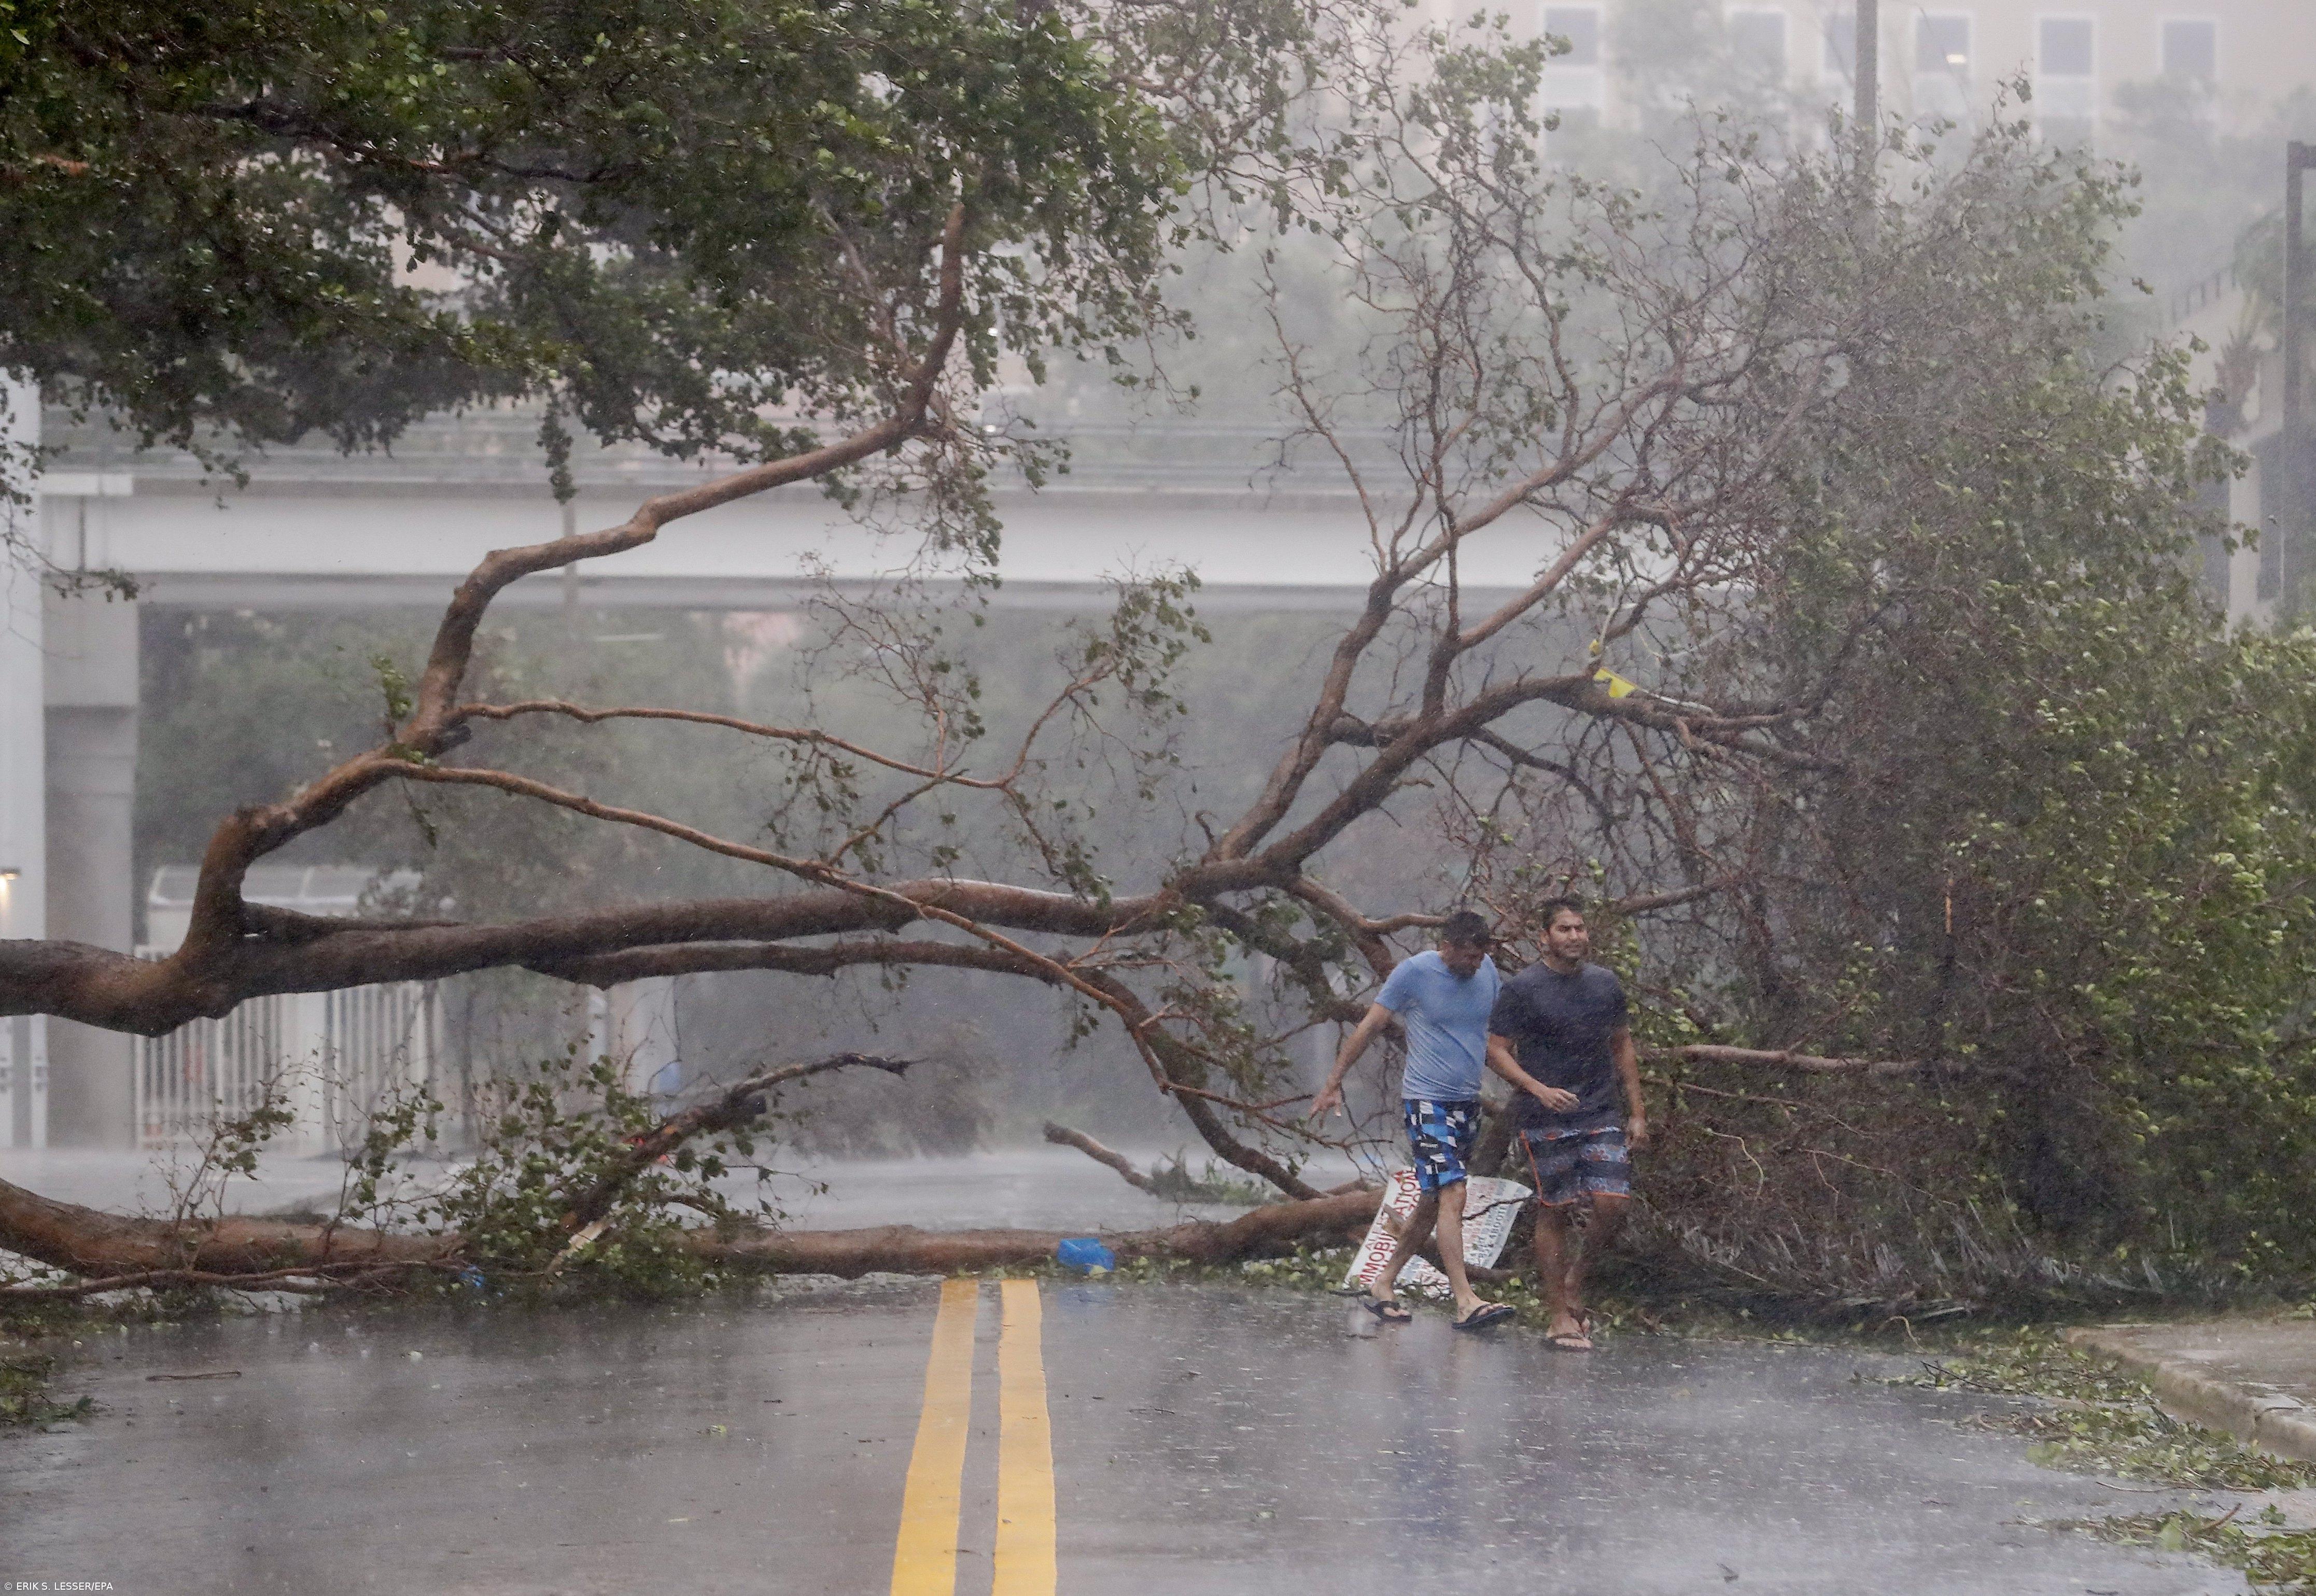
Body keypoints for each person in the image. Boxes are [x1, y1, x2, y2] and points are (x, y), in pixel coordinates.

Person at [1309, 910, 1577, 1330]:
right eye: (1467, 956)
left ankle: (1383, 1281)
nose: (1474, 963)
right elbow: (1370, 1026)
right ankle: (1465, 1300)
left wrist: (1540, 1079)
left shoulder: (1486, 971)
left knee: (1432, 1199)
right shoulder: (1413, 973)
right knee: (1453, 1190)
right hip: (1425, 1101)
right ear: (1447, 946)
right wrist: (1332, 1082)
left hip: (1464, 1103)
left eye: (1479, 955)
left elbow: (1499, 1037)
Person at [1487, 897, 1648, 1352]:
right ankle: (1558, 1313)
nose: (1574, 936)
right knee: (1554, 1207)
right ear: (1544, 937)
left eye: (1579, 928)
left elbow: (1622, 1046)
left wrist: (1636, 1111)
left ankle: (1576, 1277)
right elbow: (1496, 1049)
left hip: (1600, 1110)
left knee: (1612, 1203)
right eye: (1564, 929)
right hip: (1546, 1116)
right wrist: (1536, 1088)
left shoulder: (1605, 984)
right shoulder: (1523, 989)